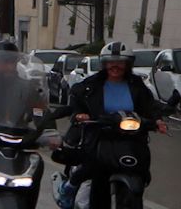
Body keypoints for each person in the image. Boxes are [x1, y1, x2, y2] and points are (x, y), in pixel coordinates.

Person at [56, 43, 166, 209]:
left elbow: (149, 105)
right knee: (95, 171)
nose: (115, 66)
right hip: (101, 137)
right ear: (104, 63)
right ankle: (70, 188)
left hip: (131, 139)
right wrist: (79, 114)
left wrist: (157, 120)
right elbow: (76, 99)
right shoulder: (91, 85)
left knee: (141, 163)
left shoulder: (137, 85)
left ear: (128, 64)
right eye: (110, 62)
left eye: (120, 62)